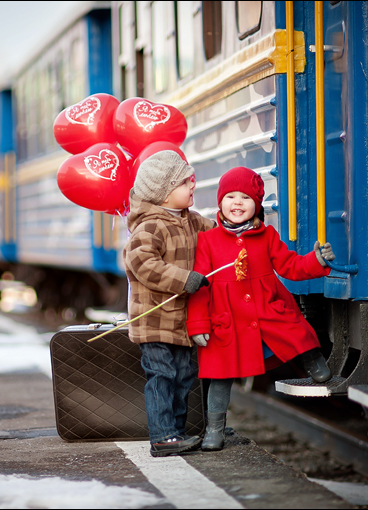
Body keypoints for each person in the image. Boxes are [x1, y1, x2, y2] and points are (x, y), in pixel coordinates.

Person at [186, 166, 335, 451]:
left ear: (257, 204)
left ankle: (313, 361)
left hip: (264, 305)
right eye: (230, 196)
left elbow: (290, 266)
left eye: (245, 197)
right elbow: (201, 285)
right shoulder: (207, 240)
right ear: (220, 203)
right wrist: (198, 324)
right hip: (225, 316)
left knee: (293, 328)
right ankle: (214, 430)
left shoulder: (266, 236)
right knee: (219, 373)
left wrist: (316, 261)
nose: (237, 202)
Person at [123, 150, 216, 457]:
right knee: (162, 376)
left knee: (184, 377)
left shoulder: (192, 221)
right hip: (154, 321)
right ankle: (163, 436)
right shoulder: (149, 227)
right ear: (163, 194)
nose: (193, 184)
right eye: (185, 182)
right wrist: (184, 279)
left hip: (181, 321)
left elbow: (217, 234)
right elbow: (143, 264)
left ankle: (177, 431)